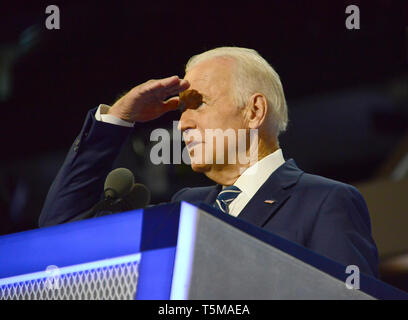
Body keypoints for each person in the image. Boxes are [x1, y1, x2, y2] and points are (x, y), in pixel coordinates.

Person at [39, 47, 379, 277]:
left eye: (198, 104)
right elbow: (59, 230)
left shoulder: (325, 202)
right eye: (181, 109)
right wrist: (118, 118)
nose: (183, 123)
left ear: (254, 111)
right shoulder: (185, 206)